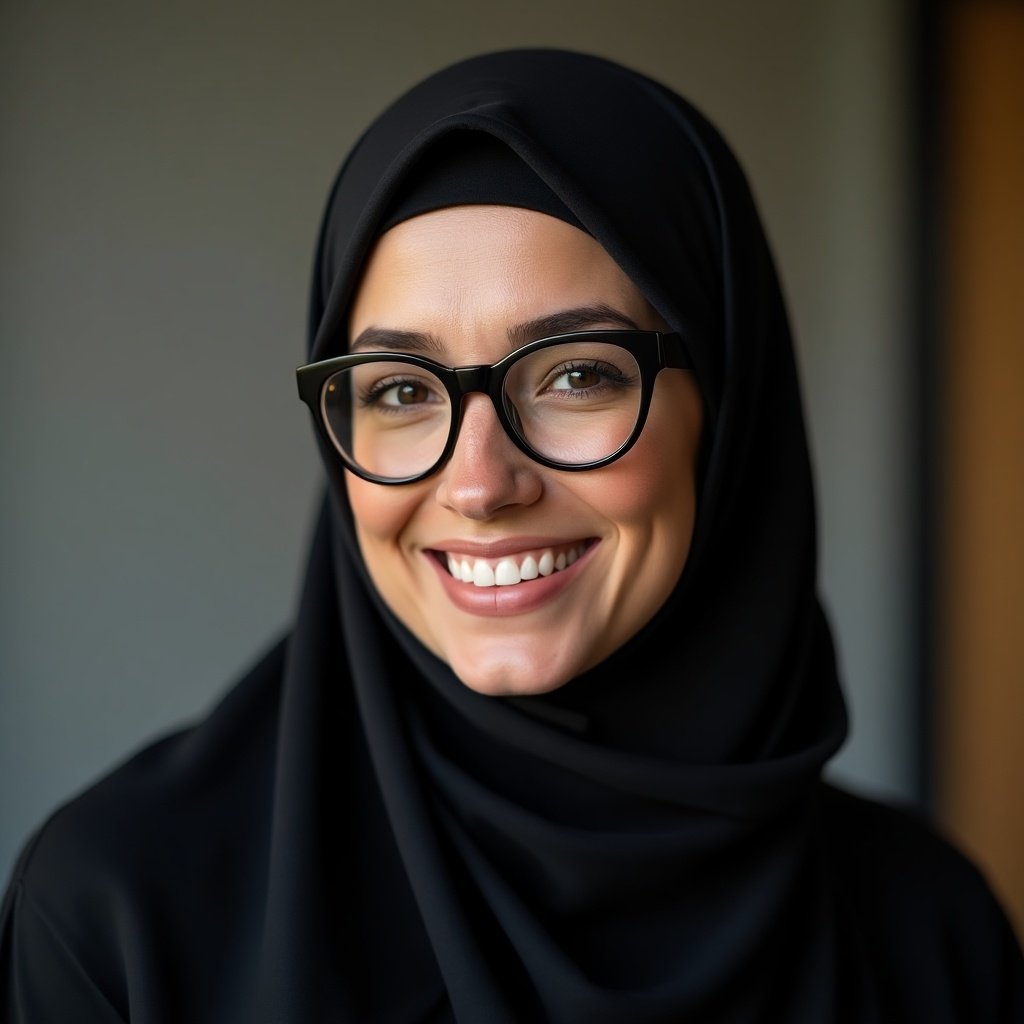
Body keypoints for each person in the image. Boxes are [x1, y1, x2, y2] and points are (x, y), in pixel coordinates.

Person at [1, 49, 1021, 1023]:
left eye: (576, 373)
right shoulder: (119, 915)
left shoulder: (928, 932)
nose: (480, 483)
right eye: (399, 390)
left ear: (727, 405)